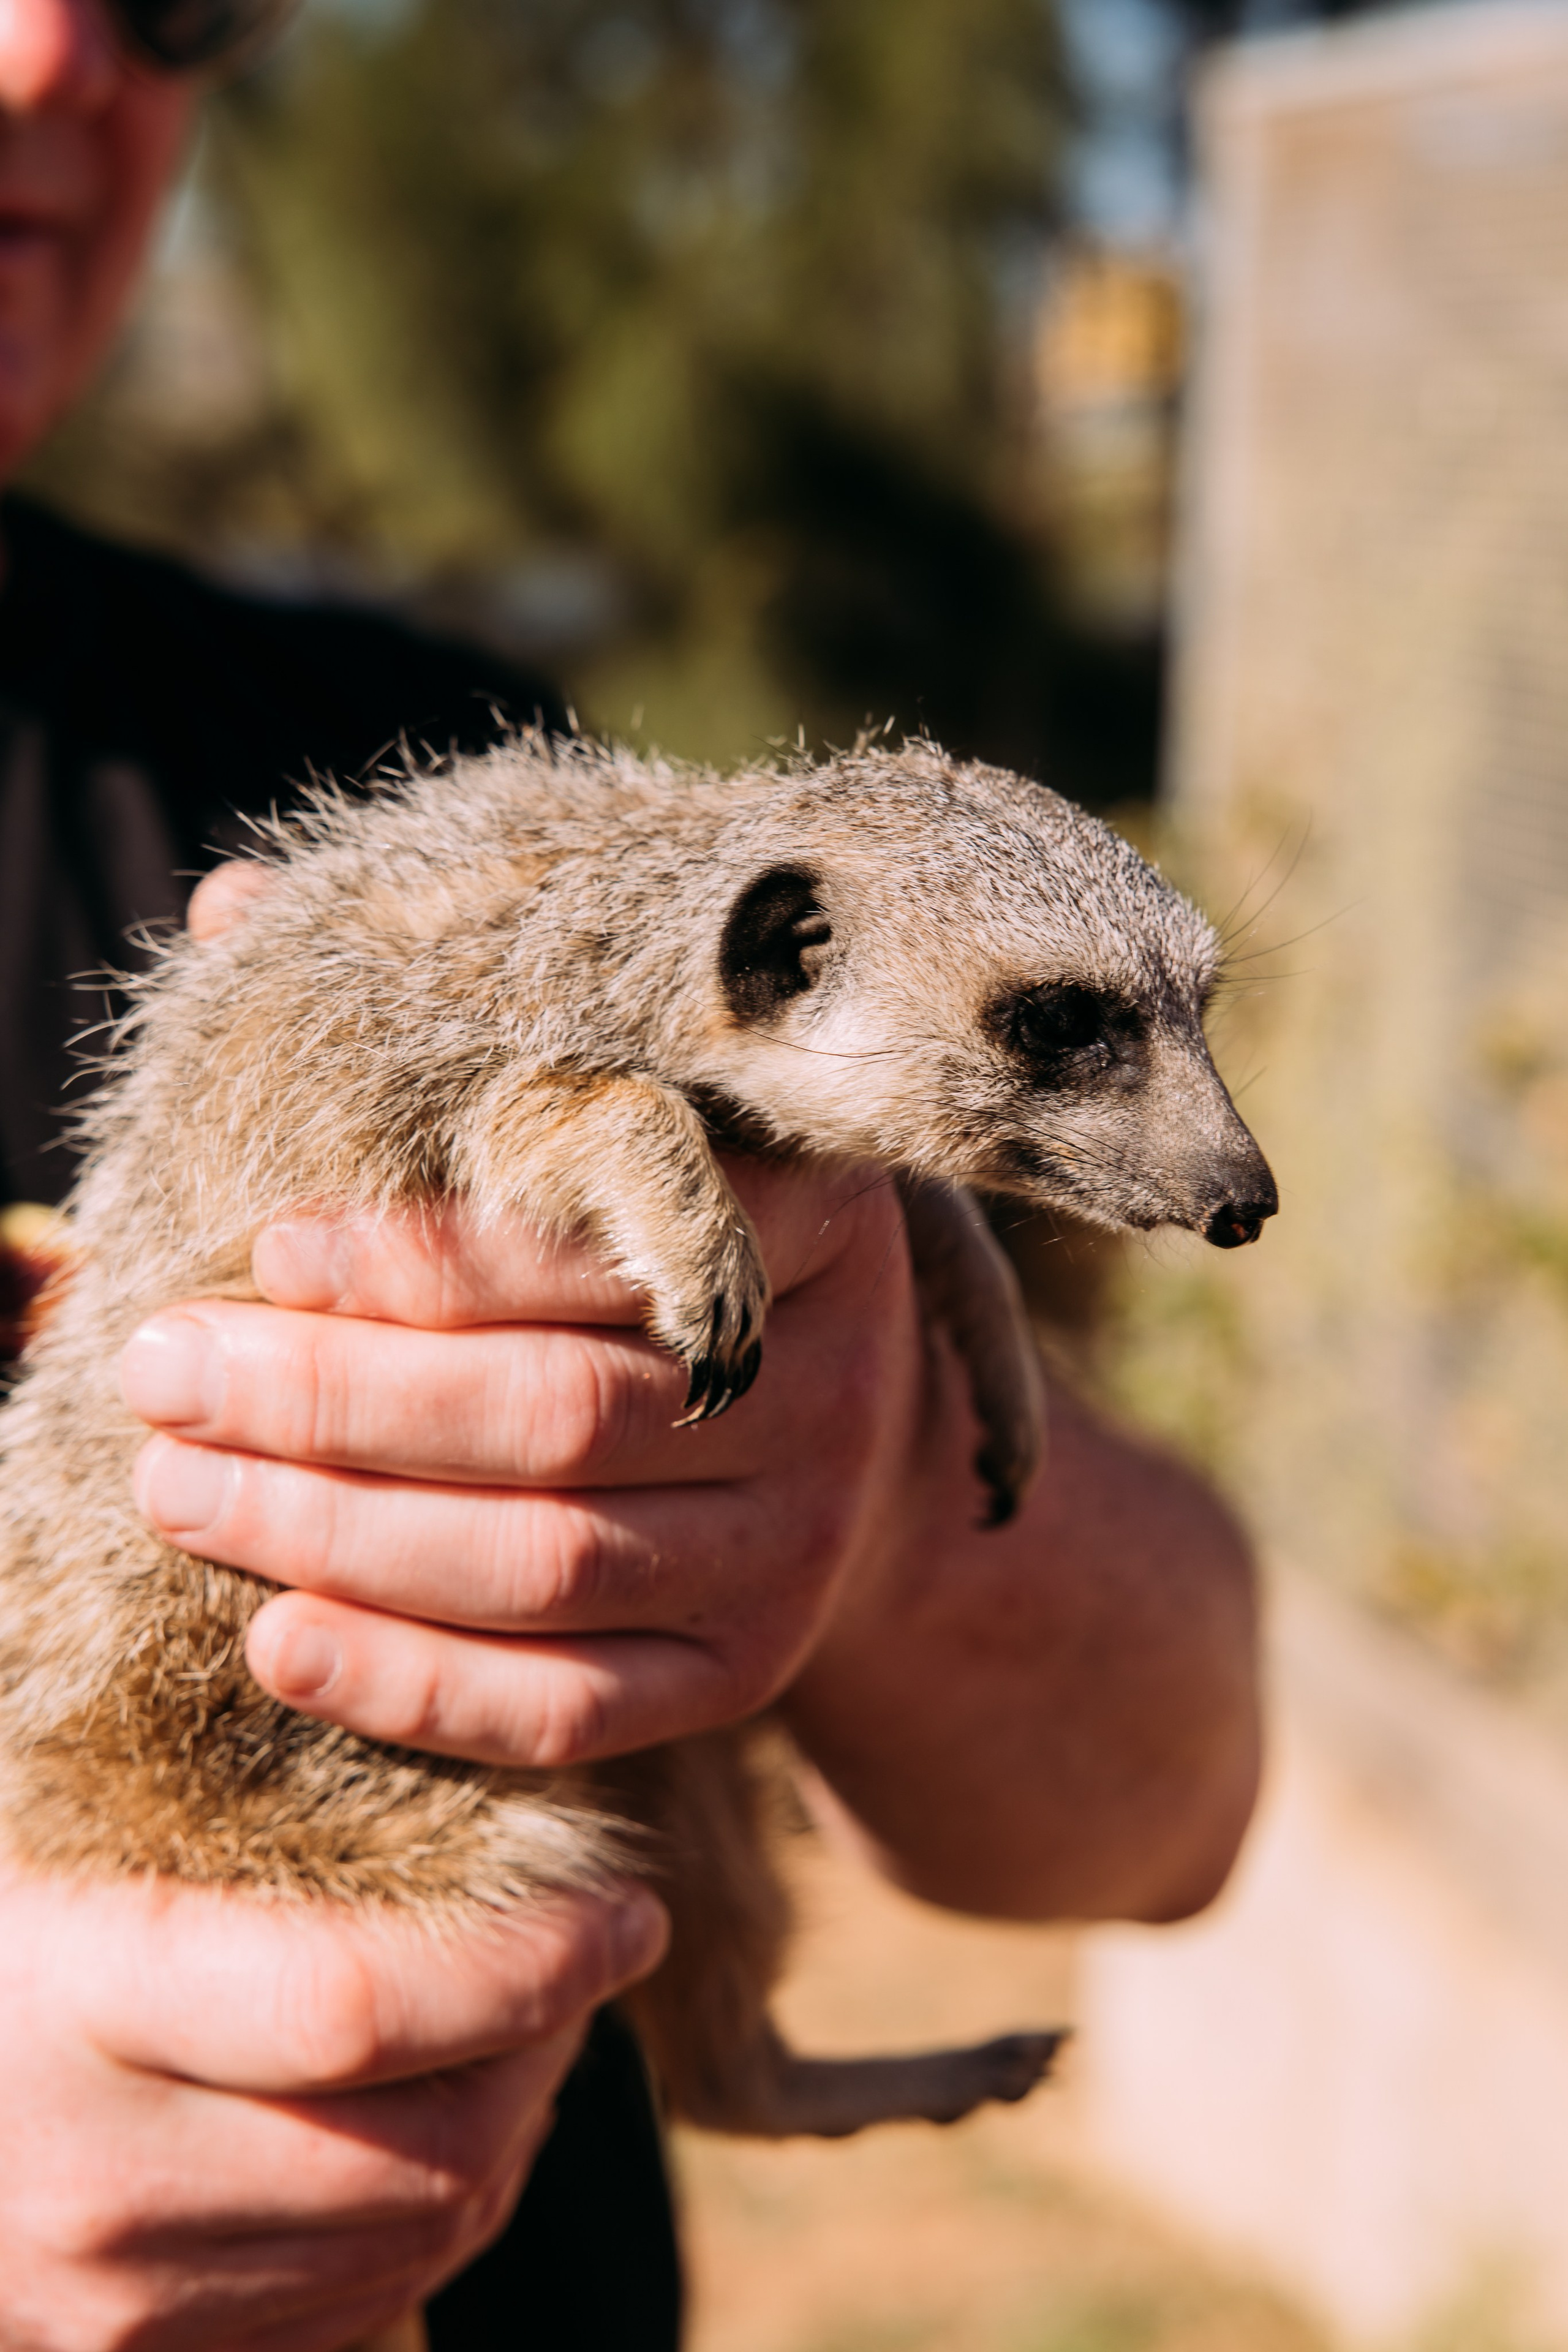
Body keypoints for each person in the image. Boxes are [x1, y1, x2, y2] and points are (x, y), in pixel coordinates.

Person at [0, 0, 1264, 2344]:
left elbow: (1175, 1805)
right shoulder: (454, 943)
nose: (47, 61)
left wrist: (876, 1483)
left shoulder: (412, 753)